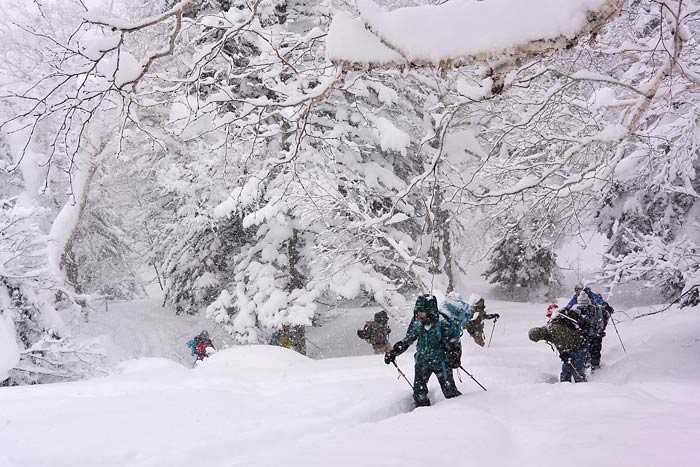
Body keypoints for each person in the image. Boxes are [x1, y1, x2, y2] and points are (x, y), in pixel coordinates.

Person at [384, 294, 462, 407]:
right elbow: (408, 340)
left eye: (422, 311)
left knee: (449, 391)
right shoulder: (417, 322)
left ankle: (459, 410)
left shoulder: (442, 323)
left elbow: (454, 343)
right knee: (419, 393)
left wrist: (455, 355)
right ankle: (423, 416)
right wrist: (394, 352)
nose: (418, 314)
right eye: (417, 311)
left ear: (429, 311)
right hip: (422, 362)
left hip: (441, 362)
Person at [529, 302, 589, 383]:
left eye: (537, 339)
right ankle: (563, 388)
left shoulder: (554, 329)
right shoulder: (547, 332)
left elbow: (566, 341)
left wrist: (565, 352)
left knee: (577, 370)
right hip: (572, 347)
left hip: (579, 345)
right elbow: (560, 344)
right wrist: (563, 353)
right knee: (566, 371)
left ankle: (584, 389)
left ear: (539, 335)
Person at [563, 283, 614, 369]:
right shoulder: (576, 297)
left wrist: (605, 305)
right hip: (587, 328)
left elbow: (598, 300)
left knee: (594, 346)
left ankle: (594, 365)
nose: (577, 292)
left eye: (578, 290)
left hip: (594, 326)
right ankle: (589, 363)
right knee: (588, 346)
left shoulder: (590, 295)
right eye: (576, 290)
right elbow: (569, 306)